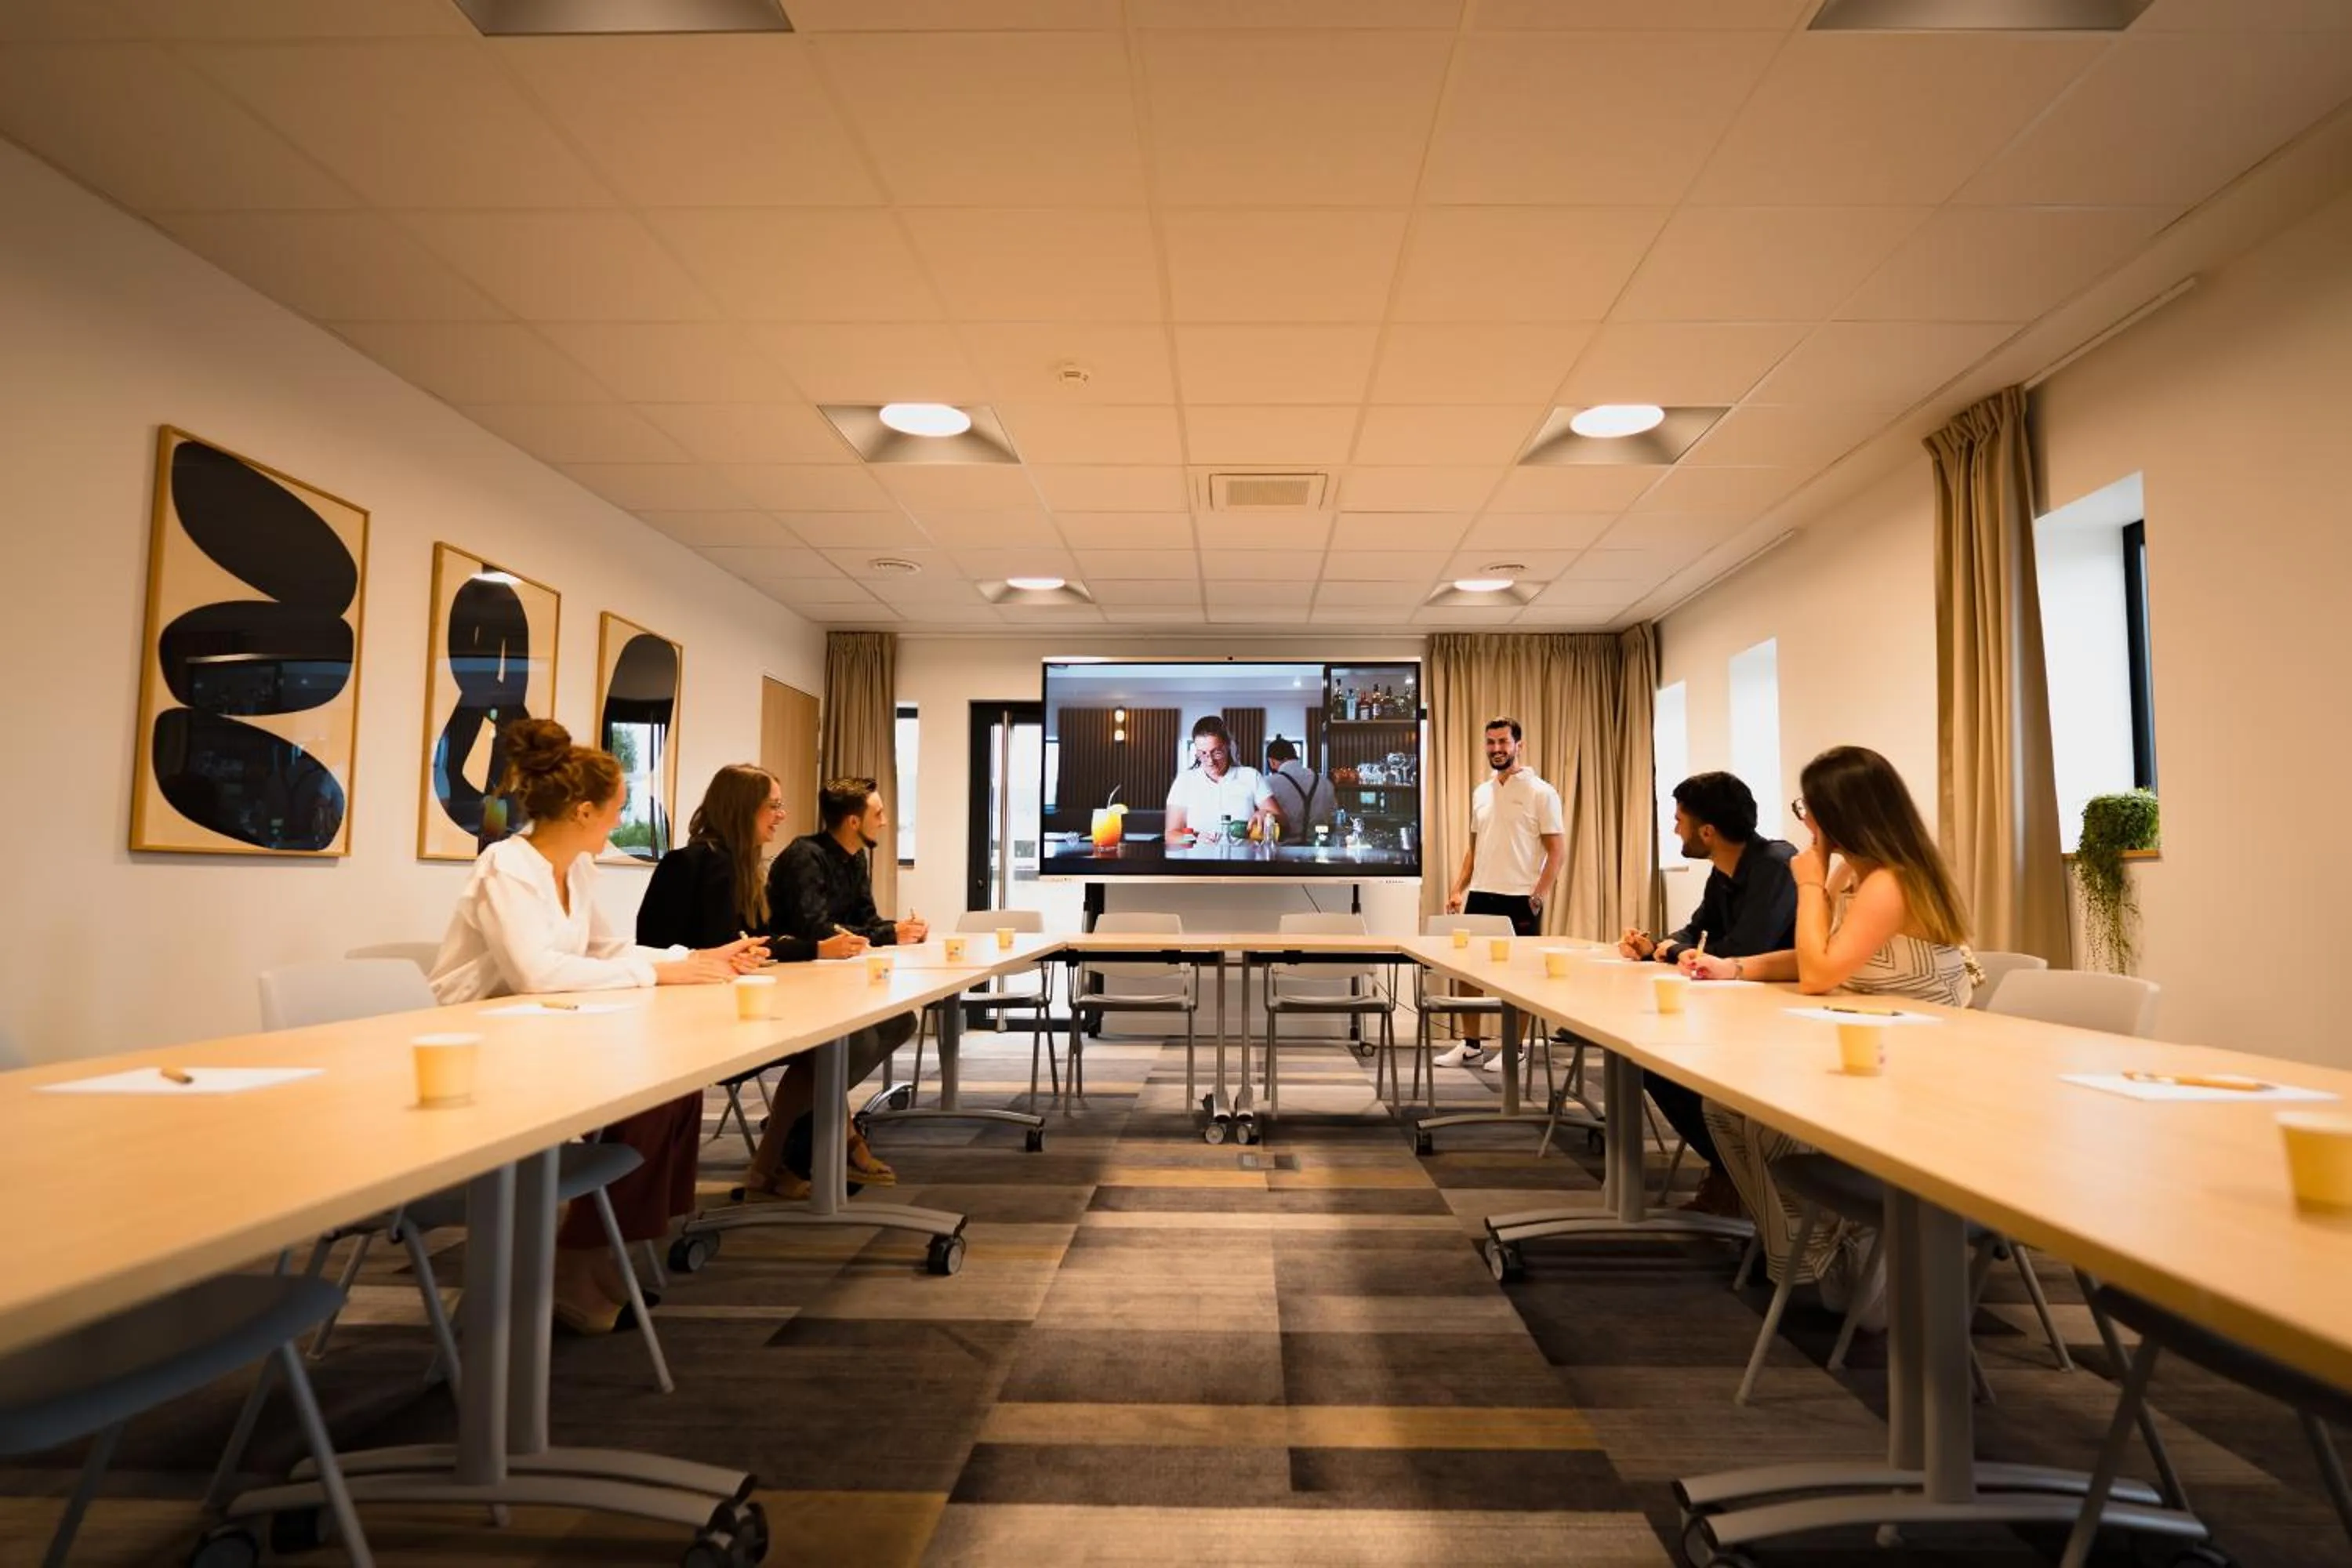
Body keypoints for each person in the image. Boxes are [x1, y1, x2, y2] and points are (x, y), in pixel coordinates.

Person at [427, 720, 767, 1334]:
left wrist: (693, 959)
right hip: (485, 1045)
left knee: (674, 1089)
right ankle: (576, 1259)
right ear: (583, 811)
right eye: (616, 809)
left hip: (547, 1033)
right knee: (648, 1096)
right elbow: (535, 973)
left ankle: (600, 1247)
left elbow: (608, 950)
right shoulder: (507, 867)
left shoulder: (576, 869)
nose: (619, 821)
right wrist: (658, 973)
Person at [1681, 746, 1979, 1291]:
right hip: (1867, 1035)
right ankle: (1803, 1247)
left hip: (1915, 1063)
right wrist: (1736, 967)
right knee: (1724, 1105)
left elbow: (1818, 974)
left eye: (1808, 809)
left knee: (1770, 1120)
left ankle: (1839, 1259)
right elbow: (1821, 955)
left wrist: (1810, 882)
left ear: (1840, 814)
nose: (1804, 822)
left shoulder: (1890, 881)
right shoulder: (1855, 873)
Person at [1616, 772, 1798, 1218]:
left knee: (1662, 1062)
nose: (1675, 828)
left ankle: (1739, 1174)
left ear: (1708, 832)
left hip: (1784, 1015)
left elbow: (1744, 949)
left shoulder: (1776, 865)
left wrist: (1673, 950)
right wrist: (1654, 946)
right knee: (1650, 1060)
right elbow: (1696, 933)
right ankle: (1733, 1170)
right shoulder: (1723, 872)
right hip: (1736, 1006)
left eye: (1679, 820)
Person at [740, 776, 928, 1201]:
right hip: (790, 981)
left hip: (835, 981)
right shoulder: (804, 857)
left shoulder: (856, 859)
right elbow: (817, 930)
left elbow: (864, 922)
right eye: (878, 814)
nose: (885, 821)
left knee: (900, 1021)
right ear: (852, 821)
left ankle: (807, 1123)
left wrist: (899, 930)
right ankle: (804, 1143)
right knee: (855, 1041)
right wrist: (884, 934)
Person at [1435, 717, 1565, 1069]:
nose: (1497, 749)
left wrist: (1539, 894)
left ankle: (1515, 1048)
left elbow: (1557, 852)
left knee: (1519, 975)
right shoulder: (1481, 792)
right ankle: (1471, 1045)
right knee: (1467, 971)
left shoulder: (1542, 792)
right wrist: (1458, 888)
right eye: (1491, 742)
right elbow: (1474, 849)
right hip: (1481, 894)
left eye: (1503, 742)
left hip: (1520, 898)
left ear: (1518, 745)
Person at [1163, 716, 1271, 846]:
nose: (1210, 761)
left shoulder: (1251, 776)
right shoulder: (1184, 781)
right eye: (1203, 753)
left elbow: (1283, 821)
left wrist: (1265, 813)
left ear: (1227, 747)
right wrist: (1194, 838)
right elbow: (1171, 835)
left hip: (1243, 858)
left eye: (1217, 753)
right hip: (1199, 858)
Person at [1262, 735, 1334, 840]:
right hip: (1319, 846)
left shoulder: (1268, 783)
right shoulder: (1324, 781)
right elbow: (1332, 818)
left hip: (1282, 848)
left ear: (1271, 761)